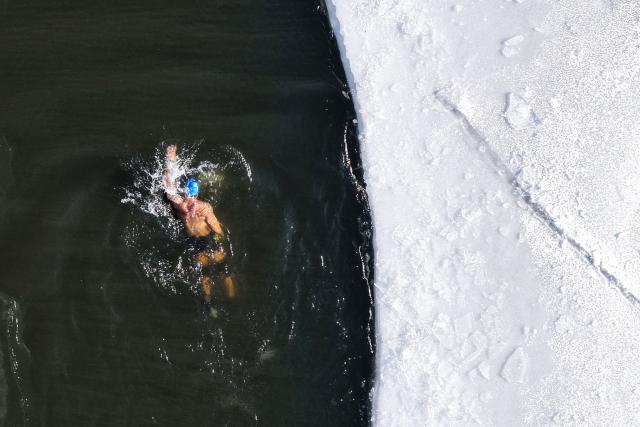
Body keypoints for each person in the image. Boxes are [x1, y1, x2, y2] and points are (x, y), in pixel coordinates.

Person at [163, 145, 235, 315]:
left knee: (209, 275)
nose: (192, 202)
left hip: (198, 243)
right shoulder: (203, 208)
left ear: (190, 194)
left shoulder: (182, 207)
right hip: (207, 240)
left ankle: (214, 305)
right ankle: (228, 304)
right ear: (192, 194)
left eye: (192, 197)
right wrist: (219, 241)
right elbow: (218, 230)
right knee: (222, 273)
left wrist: (171, 160)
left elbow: (168, 185)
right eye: (191, 197)